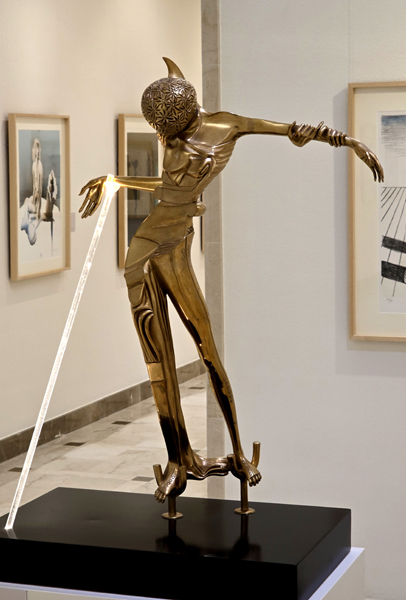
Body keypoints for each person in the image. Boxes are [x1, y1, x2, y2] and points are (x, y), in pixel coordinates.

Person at [79, 58, 384, 503]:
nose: (170, 141)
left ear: (189, 113)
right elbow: (168, 188)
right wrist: (114, 181)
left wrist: (349, 141)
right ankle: (178, 460)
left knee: (207, 351)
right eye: (164, 134)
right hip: (144, 245)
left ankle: (238, 455)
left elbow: (293, 130)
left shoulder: (228, 125)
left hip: (176, 243)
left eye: (173, 131)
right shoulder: (171, 132)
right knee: (156, 356)